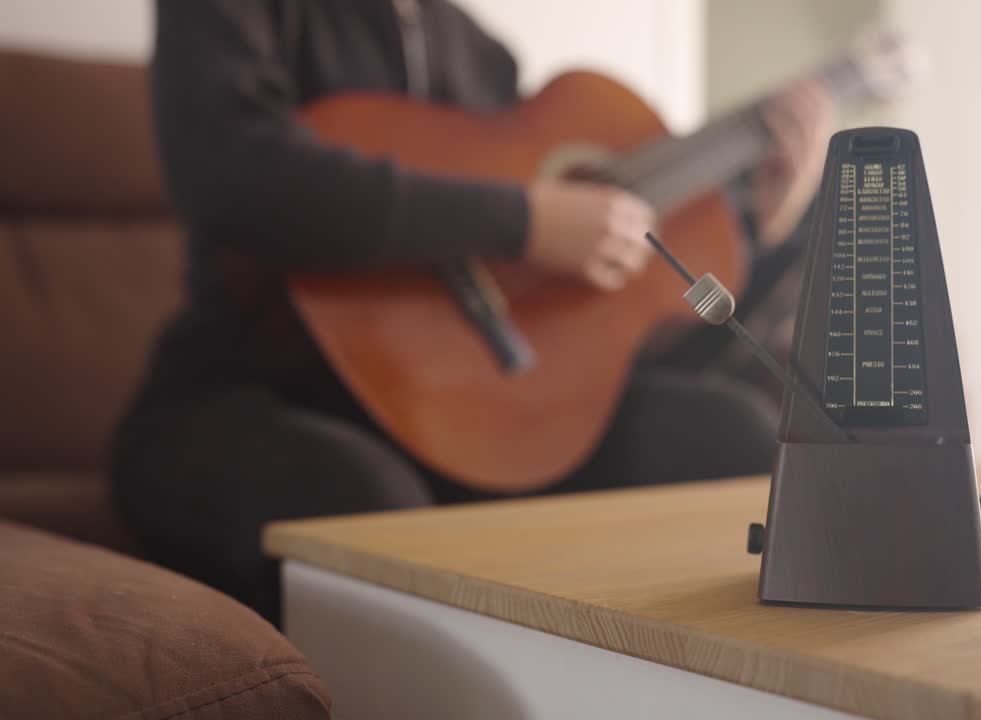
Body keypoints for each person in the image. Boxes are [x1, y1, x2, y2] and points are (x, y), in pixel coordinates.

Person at [110, 0, 835, 624]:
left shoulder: (481, 59)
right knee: (369, 510)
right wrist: (522, 220)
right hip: (246, 391)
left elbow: (598, 339)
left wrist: (763, 231)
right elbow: (234, 176)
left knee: (731, 435)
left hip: (463, 422)